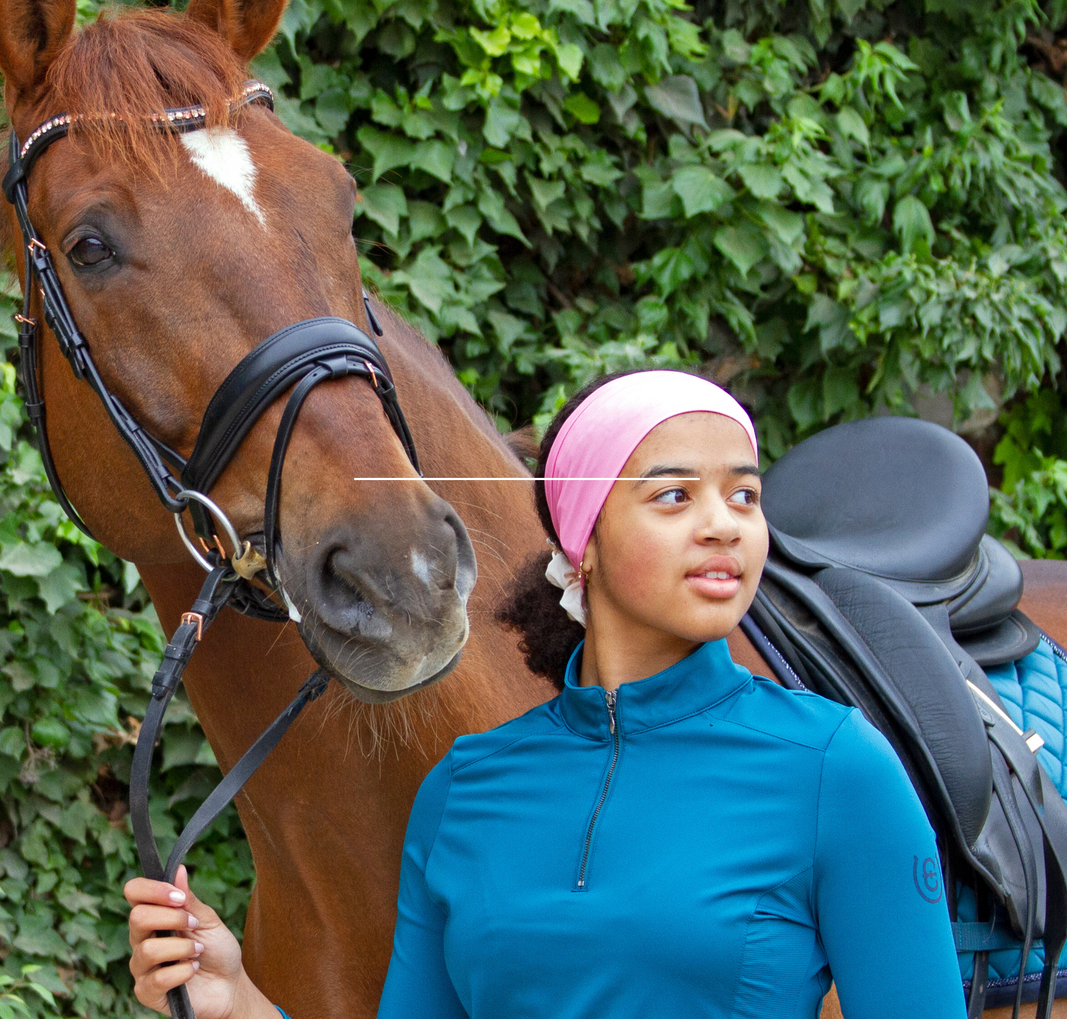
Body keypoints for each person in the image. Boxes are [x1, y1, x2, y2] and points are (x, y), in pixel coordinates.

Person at [126, 369, 965, 1018]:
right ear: (583, 538)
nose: (725, 524)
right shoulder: (465, 788)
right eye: (674, 495)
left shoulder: (834, 767)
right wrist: (237, 999)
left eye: (744, 495)